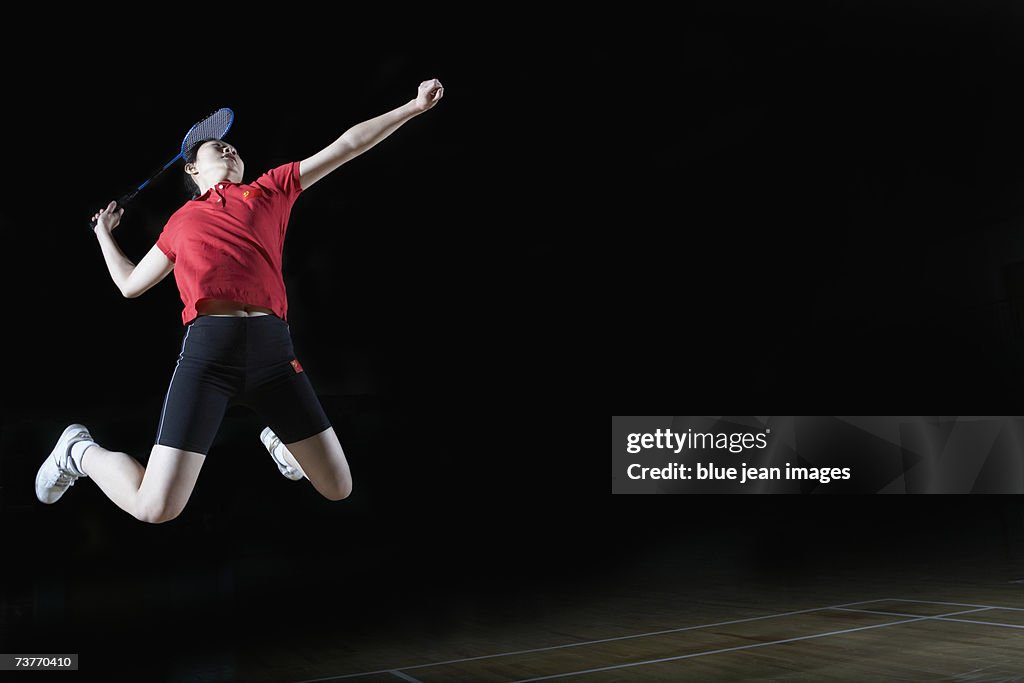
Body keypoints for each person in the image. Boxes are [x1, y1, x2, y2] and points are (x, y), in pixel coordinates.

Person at [34, 78, 444, 523]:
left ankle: (283, 442)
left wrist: (412, 108)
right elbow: (130, 284)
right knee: (155, 508)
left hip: (273, 353)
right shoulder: (180, 222)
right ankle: (78, 452)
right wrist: (102, 235)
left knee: (338, 487)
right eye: (217, 148)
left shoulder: (270, 190)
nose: (229, 149)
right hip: (209, 355)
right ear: (191, 170)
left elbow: (346, 145)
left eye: (232, 148)